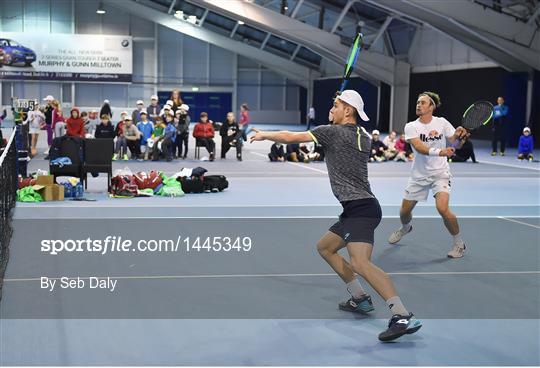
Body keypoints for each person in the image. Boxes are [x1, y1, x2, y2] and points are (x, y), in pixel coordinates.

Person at [250, 89, 422, 342]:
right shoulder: (363, 135)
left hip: (360, 208)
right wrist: (342, 103)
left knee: (360, 263)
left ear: (348, 111)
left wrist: (265, 134)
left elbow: (290, 137)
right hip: (358, 207)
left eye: (335, 105)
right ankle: (360, 299)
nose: (331, 110)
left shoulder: (331, 132)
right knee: (325, 247)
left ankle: (401, 314)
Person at [388, 91, 469, 259]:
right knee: (404, 213)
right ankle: (406, 227)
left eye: (423, 102)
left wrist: (461, 138)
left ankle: (459, 243)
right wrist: (441, 151)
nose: (419, 105)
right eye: (418, 102)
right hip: (418, 176)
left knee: (443, 208)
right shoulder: (411, 126)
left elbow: (455, 144)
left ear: (432, 106)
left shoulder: (442, 123)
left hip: (440, 173)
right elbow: (419, 148)